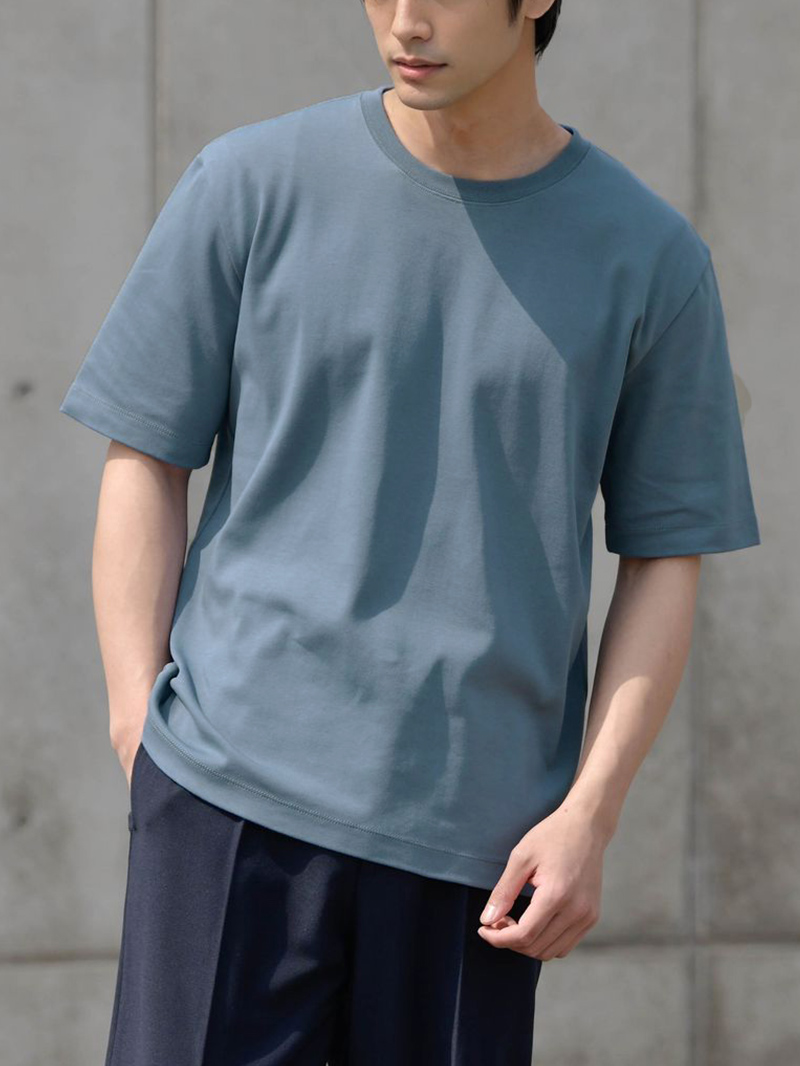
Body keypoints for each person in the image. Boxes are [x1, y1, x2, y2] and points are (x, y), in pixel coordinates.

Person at [59, 0, 761, 1063]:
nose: (404, 21)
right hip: (224, 806)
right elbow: (146, 453)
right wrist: (137, 732)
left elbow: (665, 553)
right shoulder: (250, 184)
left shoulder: (649, 258)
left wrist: (592, 811)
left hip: (475, 852)